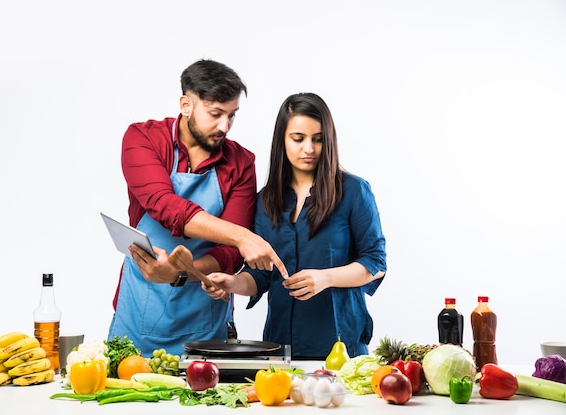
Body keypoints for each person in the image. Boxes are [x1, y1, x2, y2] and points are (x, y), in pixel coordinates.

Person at [108, 59, 287, 357]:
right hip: (140, 307)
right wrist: (244, 237)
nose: (224, 126)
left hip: (206, 319)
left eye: (232, 115)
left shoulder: (241, 163)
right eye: (215, 114)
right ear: (186, 105)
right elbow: (166, 207)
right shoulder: (143, 139)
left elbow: (228, 254)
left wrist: (179, 273)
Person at [205, 92, 387, 359]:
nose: (309, 149)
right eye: (298, 139)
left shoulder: (354, 191)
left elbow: (376, 263)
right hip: (280, 349)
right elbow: (261, 275)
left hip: (341, 350)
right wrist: (232, 283)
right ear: (282, 140)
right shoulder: (265, 201)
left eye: (318, 139)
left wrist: (325, 278)